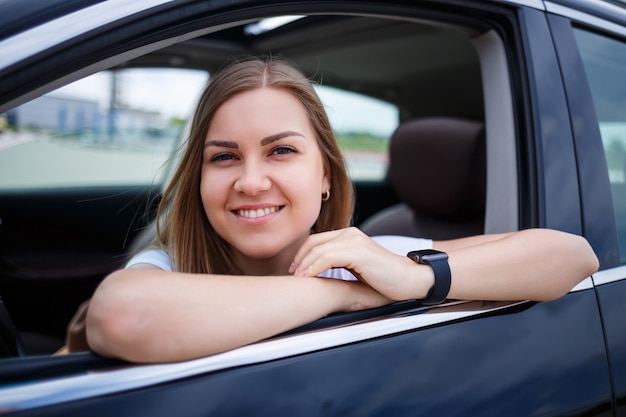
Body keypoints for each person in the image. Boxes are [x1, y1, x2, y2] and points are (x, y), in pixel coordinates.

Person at [84, 57, 599, 363]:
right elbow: (124, 317)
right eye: (223, 157)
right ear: (198, 180)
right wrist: (342, 295)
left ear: (325, 175)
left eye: (281, 150)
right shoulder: (168, 271)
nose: (251, 181)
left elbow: (571, 254)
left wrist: (414, 280)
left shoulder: (370, 256)